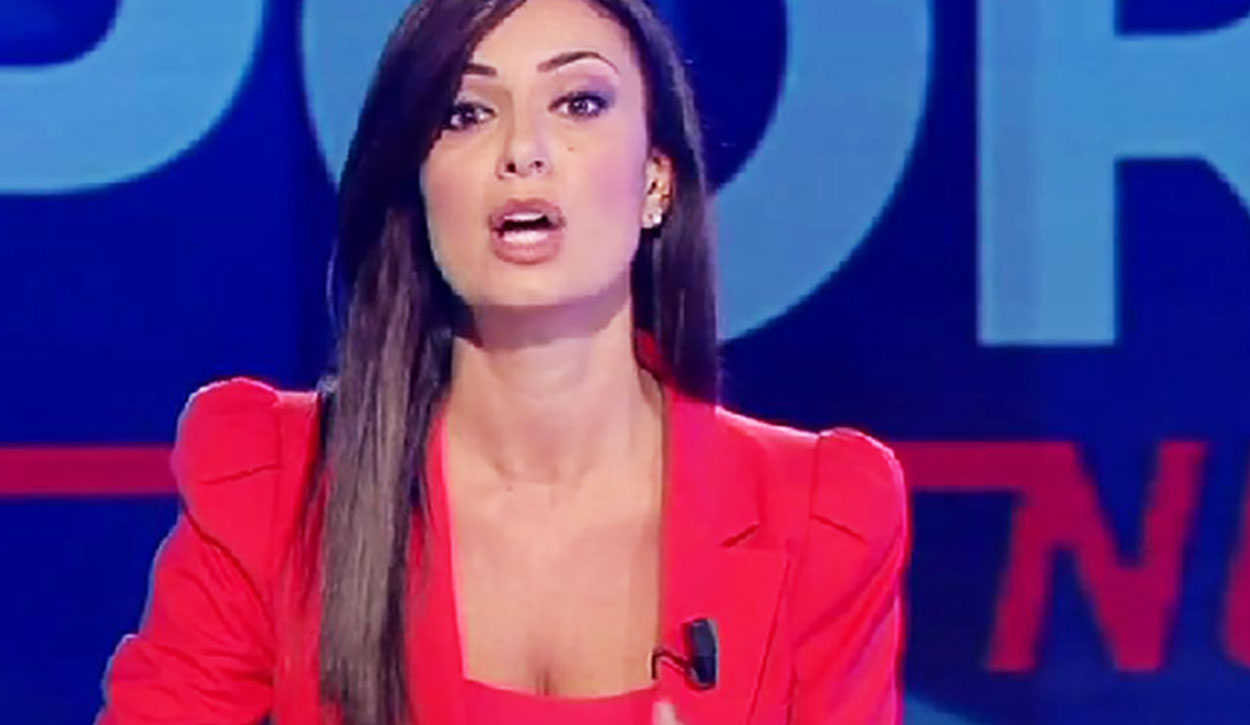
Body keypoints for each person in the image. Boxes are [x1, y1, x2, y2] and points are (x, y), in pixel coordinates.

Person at [99, 0, 908, 722]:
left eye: (578, 103)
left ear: (656, 182)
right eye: (466, 113)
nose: (522, 150)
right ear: (418, 186)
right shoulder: (278, 487)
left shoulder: (821, 518)